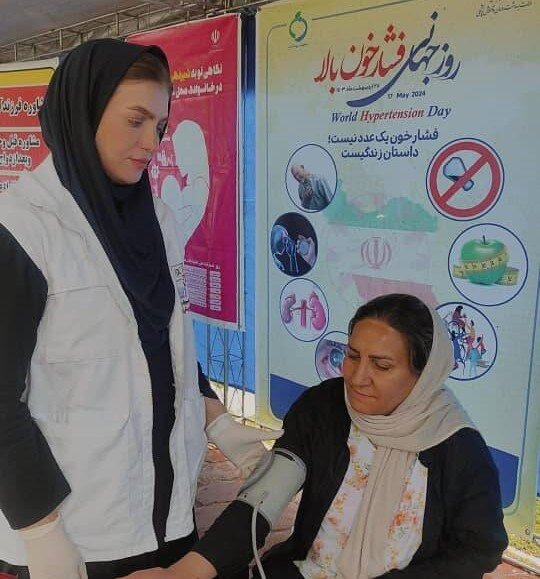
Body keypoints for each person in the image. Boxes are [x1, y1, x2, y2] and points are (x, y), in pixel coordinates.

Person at [0, 38, 280, 579]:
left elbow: (159, 346)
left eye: (160, 125)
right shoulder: (22, 229)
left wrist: (218, 423)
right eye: (135, 121)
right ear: (84, 112)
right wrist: (40, 529)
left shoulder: (157, 219)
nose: (151, 142)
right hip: (74, 530)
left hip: (166, 510)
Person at [124, 293, 508, 579]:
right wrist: (184, 572)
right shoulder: (325, 407)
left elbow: (479, 550)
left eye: (381, 365)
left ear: (424, 375)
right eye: (353, 355)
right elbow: (262, 500)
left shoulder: (458, 447)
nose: (357, 377)